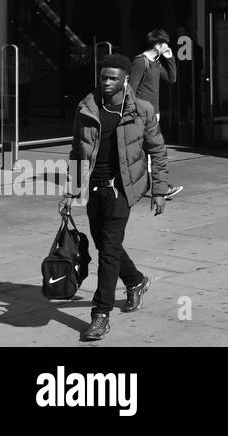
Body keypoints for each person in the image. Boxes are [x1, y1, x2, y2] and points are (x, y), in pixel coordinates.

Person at [61, 54, 168, 342]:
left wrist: (159, 190)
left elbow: (157, 150)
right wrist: (71, 189)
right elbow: (76, 150)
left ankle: (100, 315)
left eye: (112, 78)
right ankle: (135, 281)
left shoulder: (140, 110)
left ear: (125, 80)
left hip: (122, 188)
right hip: (95, 188)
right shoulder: (87, 108)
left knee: (108, 251)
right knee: (105, 244)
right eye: (103, 77)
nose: (106, 82)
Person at [127, 30, 182, 199]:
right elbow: (131, 90)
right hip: (142, 115)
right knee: (155, 151)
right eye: (165, 43)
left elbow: (172, 78)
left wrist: (170, 58)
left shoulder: (156, 63)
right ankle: (160, 188)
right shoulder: (140, 62)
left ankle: (145, 186)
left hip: (154, 115)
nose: (167, 46)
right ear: (157, 45)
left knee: (148, 152)